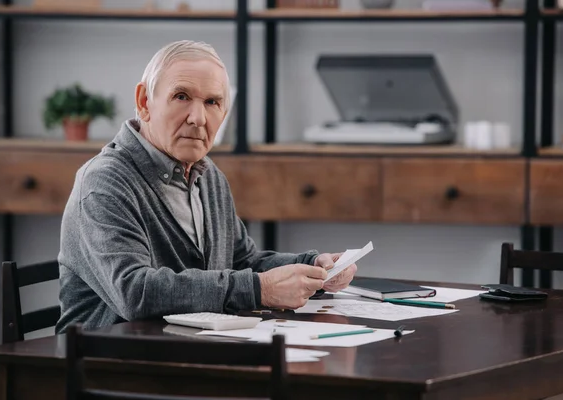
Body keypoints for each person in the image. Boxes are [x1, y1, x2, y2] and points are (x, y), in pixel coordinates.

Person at [55, 40, 358, 333]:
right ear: (144, 102)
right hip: (107, 367)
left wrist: (313, 267)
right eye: (182, 96)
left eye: (212, 102)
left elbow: (243, 262)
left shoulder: (208, 176)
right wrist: (259, 289)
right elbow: (135, 293)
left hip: (188, 352)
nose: (198, 118)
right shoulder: (104, 182)